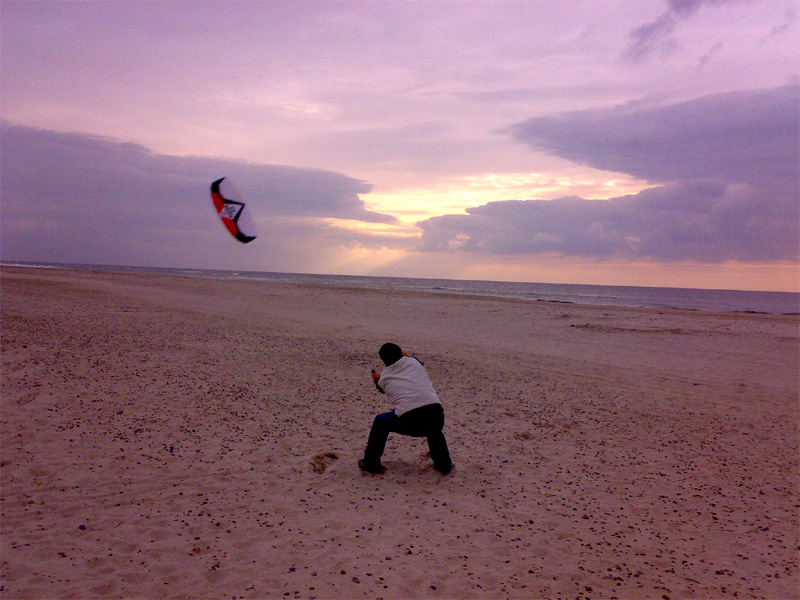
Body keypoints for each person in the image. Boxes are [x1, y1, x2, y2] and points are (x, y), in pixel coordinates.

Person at [359, 343, 452, 474]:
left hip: (411, 421)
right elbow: (406, 356)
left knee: (380, 421)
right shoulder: (415, 363)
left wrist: (376, 379)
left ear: (383, 361)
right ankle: (444, 464)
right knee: (434, 430)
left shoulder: (384, 377)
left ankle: (370, 463)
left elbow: (382, 388)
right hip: (436, 414)